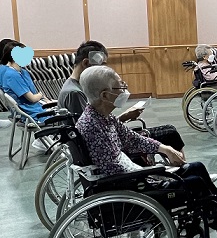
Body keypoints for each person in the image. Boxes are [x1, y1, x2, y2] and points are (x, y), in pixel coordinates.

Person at [76, 66, 217, 238]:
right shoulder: (93, 126)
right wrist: (154, 173)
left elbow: (132, 139)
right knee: (195, 182)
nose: (124, 88)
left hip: (132, 177)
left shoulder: (102, 117)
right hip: (130, 185)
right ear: (105, 95)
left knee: (197, 167)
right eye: (120, 86)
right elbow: (113, 168)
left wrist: (164, 149)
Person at [58, 40, 186, 155]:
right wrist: (124, 117)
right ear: (86, 63)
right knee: (170, 134)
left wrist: (123, 117)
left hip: (109, 134)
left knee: (169, 130)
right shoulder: (75, 93)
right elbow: (92, 132)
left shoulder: (76, 87)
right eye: (102, 65)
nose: (104, 70)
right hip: (106, 144)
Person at [0, 41, 52, 122]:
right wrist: (41, 95)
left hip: (37, 108)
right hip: (33, 114)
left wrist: (44, 99)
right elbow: (32, 98)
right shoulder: (12, 75)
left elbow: (33, 94)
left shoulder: (21, 72)